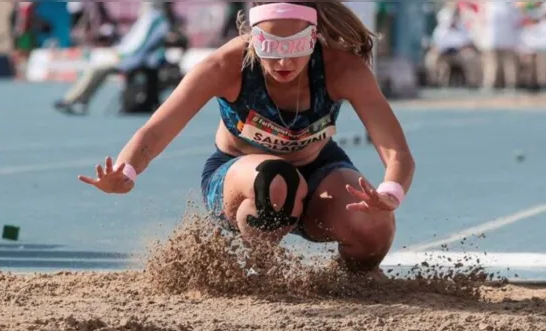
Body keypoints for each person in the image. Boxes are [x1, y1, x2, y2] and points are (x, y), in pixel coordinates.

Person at [78, 1, 416, 274]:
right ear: (253, 37)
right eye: (270, 45)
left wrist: (390, 192)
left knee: (374, 225)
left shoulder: (343, 69)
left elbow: (397, 151)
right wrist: (126, 172)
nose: (283, 60)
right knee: (276, 180)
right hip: (243, 178)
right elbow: (157, 129)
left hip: (318, 169)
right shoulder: (226, 66)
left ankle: (350, 281)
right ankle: (263, 271)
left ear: (313, 38)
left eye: (296, 46)